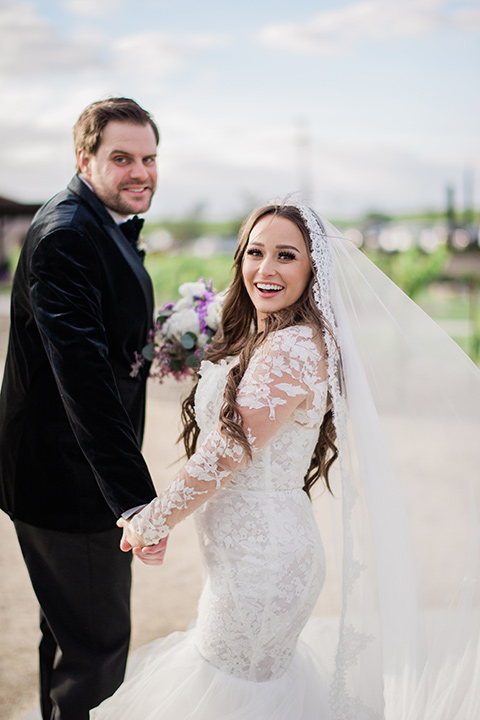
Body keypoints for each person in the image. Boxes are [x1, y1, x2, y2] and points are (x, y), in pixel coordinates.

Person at [93, 201, 480, 719]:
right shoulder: (269, 335)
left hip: (263, 562)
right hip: (245, 555)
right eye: (255, 252)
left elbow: (229, 450)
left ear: (312, 269)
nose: (265, 269)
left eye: (285, 255)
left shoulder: (291, 347)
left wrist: (151, 521)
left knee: (232, 694)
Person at [0, 97, 167, 720]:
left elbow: (109, 338)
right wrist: (133, 501)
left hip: (62, 474)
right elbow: (85, 382)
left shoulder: (92, 222)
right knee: (97, 653)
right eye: (121, 158)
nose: (141, 172)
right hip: (71, 484)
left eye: (149, 158)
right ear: (85, 159)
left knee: (70, 638)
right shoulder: (67, 234)